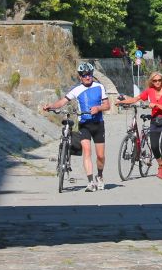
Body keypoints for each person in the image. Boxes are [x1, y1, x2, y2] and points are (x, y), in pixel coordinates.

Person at [42, 62, 111, 192]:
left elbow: (107, 105)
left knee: (100, 156)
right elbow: (62, 102)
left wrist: (98, 108)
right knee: (86, 151)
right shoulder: (76, 89)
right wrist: (50, 106)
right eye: (84, 75)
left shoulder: (99, 87)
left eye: (89, 74)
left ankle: (100, 176)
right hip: (84, 124)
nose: (87, 77)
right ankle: (90, 182)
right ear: (80, 77)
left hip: (98, 124)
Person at [117, 71, 162, 179]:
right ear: (151, 82)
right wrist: (122, 102)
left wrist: (156, 105)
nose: (157, 82)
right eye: (154, 80)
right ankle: (160, 165)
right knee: (154, 146)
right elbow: (136, 99)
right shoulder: (149, 91)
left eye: (159, 80)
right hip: (155, 121)